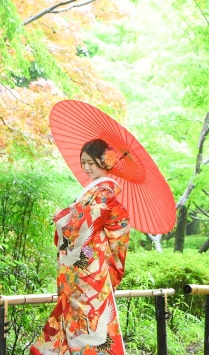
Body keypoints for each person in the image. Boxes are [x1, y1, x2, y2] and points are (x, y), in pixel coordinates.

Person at [30, 139, 131, 355]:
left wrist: (61, 216)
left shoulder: (104, 191)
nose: (86, 168)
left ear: (104, 162)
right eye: (82, 162)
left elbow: (79, 225)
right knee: (78, 320)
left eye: (90, 163)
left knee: (86, 319)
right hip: (88, 266)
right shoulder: (95, 191)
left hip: (89, 269)